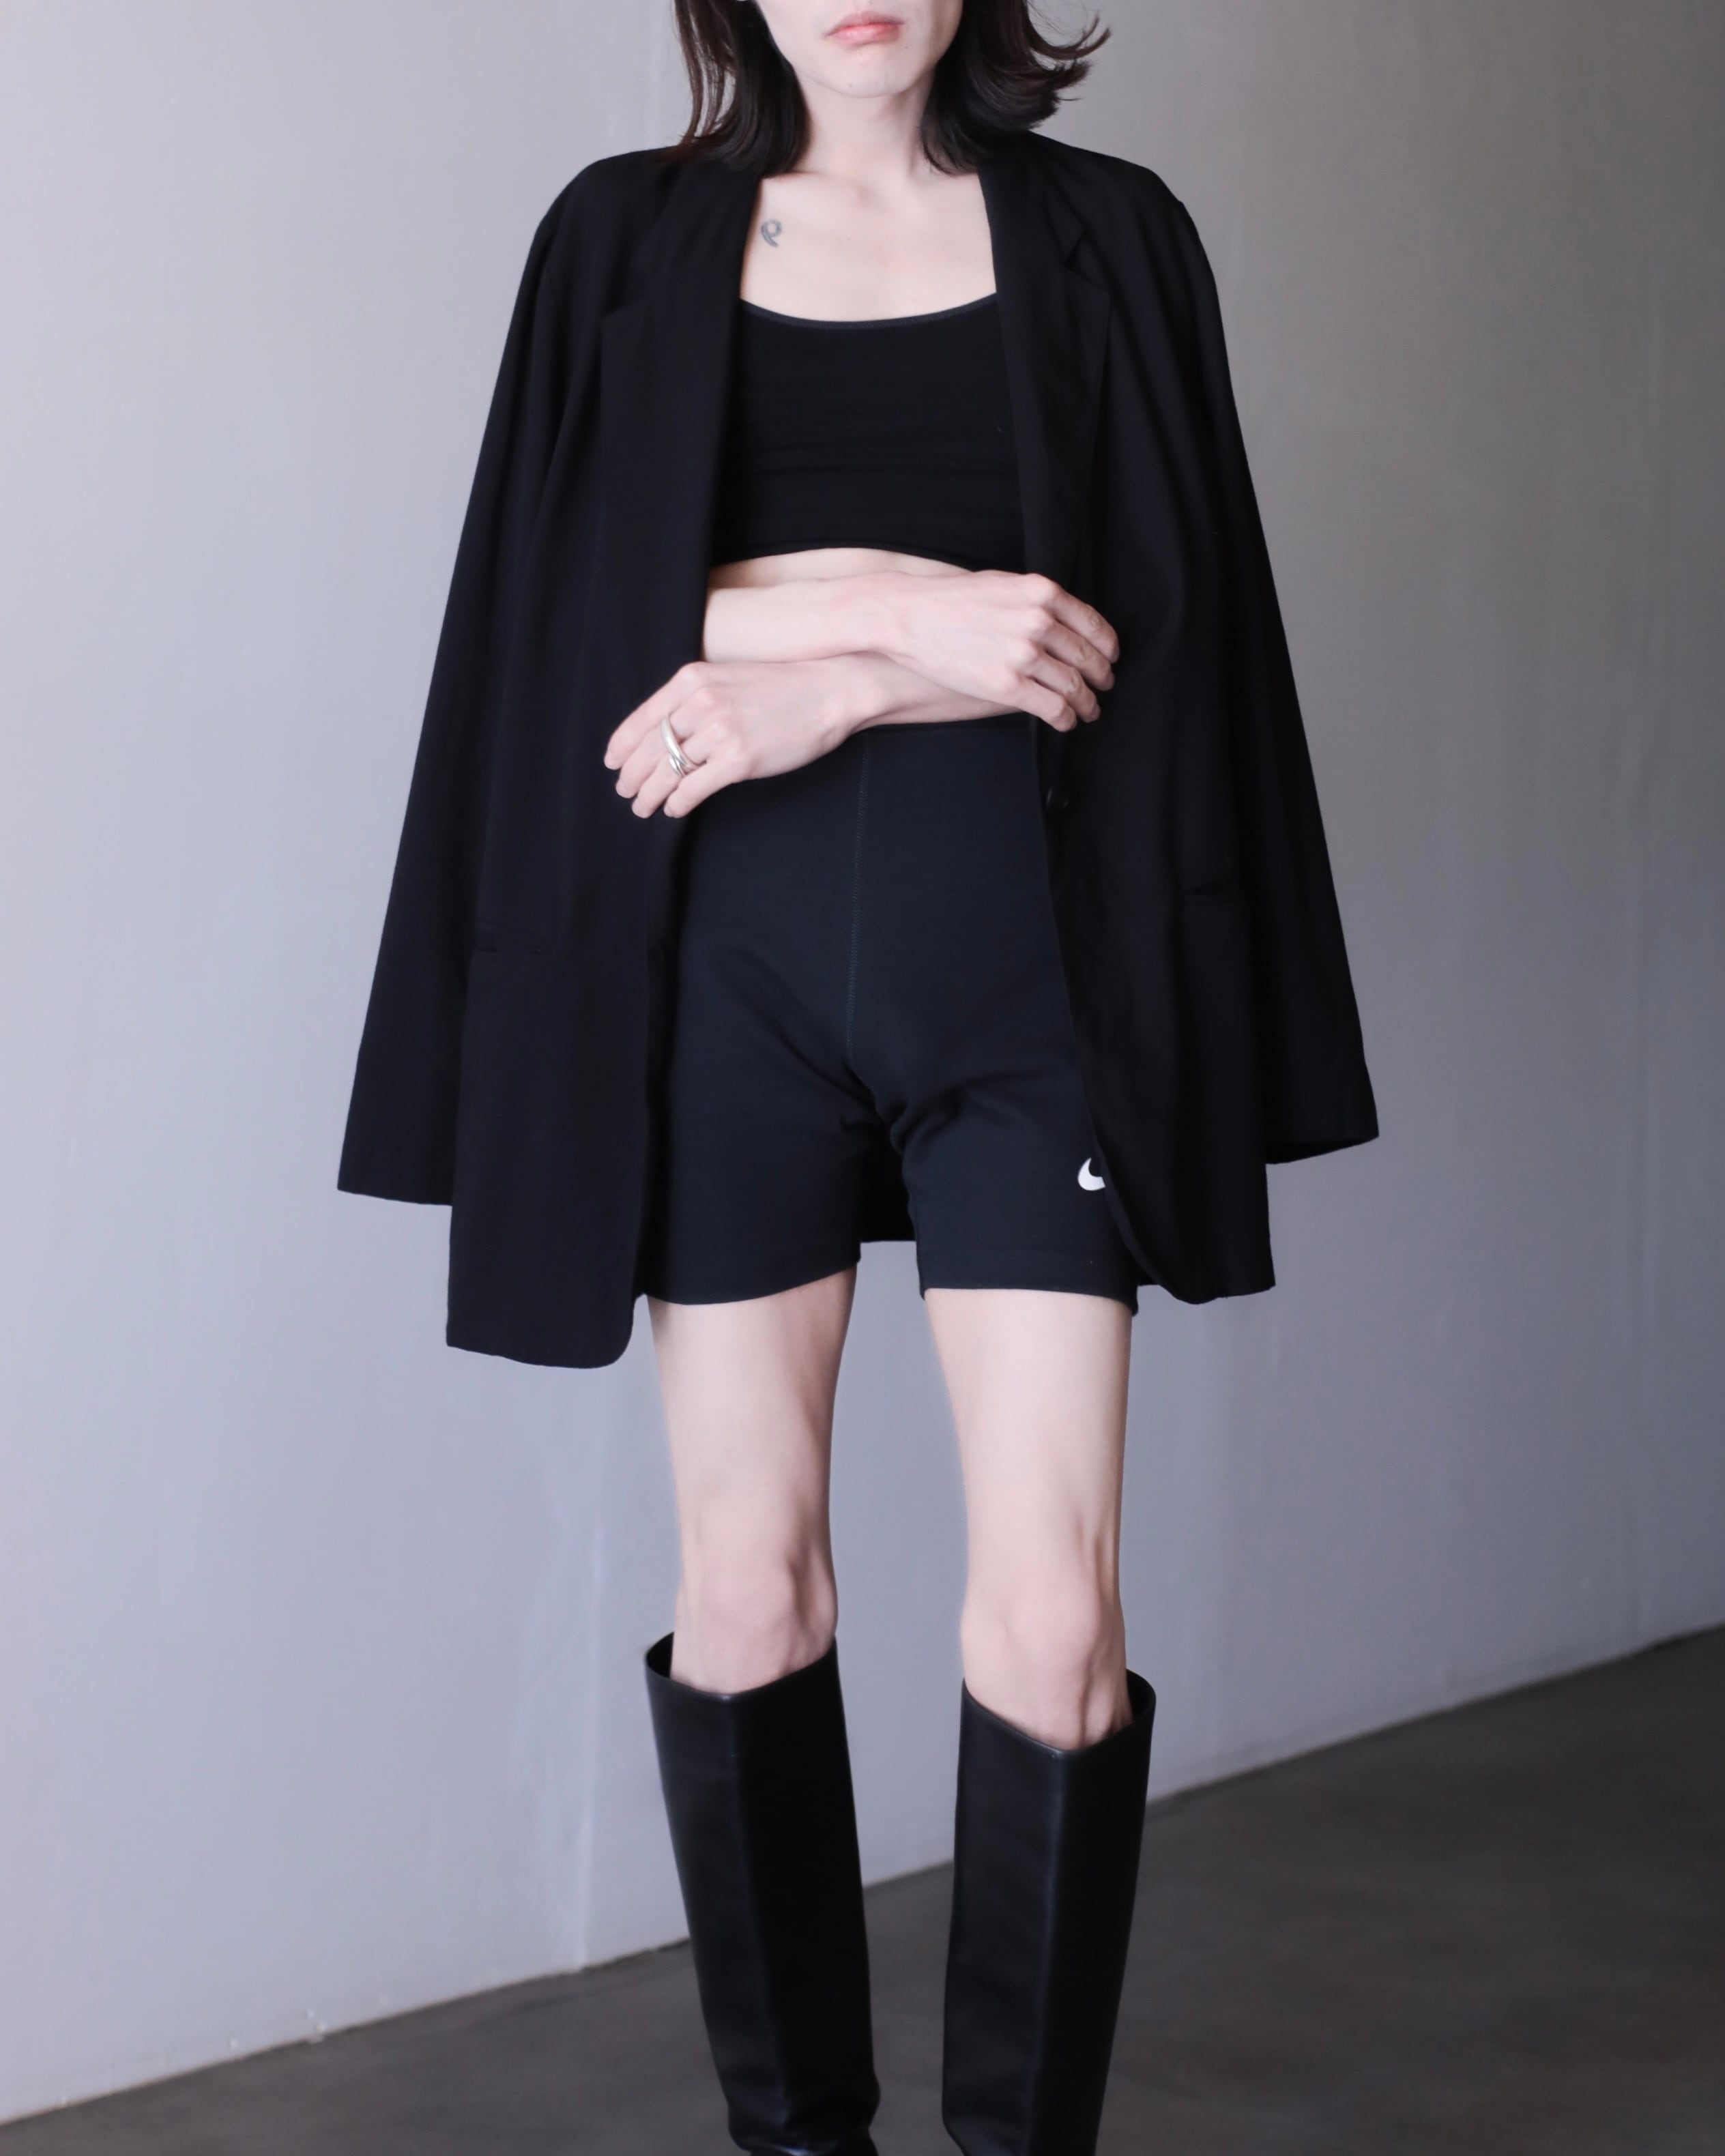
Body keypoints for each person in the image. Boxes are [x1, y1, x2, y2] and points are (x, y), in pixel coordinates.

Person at [338, 3, 1378, 2150]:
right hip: (714, 995)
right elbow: (560, 606)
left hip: (1044, 994)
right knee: (749, 1583)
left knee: (1059, 1619)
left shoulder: (1112, 240)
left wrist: (806, 663)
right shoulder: (621, 241)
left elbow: (1133, 630)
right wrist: (913, 630)